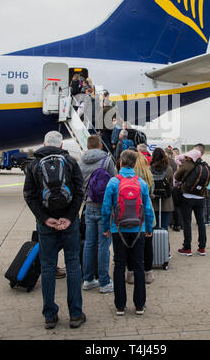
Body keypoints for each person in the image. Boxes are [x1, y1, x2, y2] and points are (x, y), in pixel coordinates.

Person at [23, 131, 86, 329]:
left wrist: (45, 218)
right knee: (73, 264)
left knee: (48, 267)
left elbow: (29, 195)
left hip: (46, 224)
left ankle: (50, 315)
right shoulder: (70, 161)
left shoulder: (33, 164)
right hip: (69, 223)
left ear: (43, 143)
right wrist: (68, 218)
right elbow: (79, 191)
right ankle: (75, 314)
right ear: (60, 145)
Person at [101, 150, 154, 316]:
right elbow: (147, 209)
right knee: (138, 265)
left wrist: (106, 228)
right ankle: (139, 305)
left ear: (121, 163)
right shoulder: (141, 183)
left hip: (118, 230)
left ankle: (120, 306)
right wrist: (149, 229)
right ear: (134, 164)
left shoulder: (113, 182)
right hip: (138, 229)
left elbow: (105, 208)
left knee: (119, 265)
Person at [79, 135, 117, 293]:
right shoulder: (106, 160)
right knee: (103, 245)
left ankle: (88, 279)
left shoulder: (80, 162)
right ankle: (104, 281)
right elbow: (114, 182)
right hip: (104, 207)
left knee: (89, 243)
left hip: (88, 206)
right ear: (100, 146)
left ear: (87, 146)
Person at [126, 153, 156, 285]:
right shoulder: (148, 176)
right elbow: (151, 193)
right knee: (147, 246)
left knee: (129, 246)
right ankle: (148, 273)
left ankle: (131, 273)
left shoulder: (128, 177)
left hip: (129, 213)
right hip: (145, 213)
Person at [174, 149, 210, 257]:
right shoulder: (205, 166)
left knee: (187, 222)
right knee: (201, 223)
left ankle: (187, 248)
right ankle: (202, 247)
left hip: (187, 197)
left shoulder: (187, 164)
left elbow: (177, 176)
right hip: (201, 197)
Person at [150, 148, 174, 231]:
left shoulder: (149, 169)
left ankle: (154, 244)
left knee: (153, 227)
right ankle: (164, 243)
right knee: (164, 227)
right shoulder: (169, 169)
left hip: (153, 200)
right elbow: (171, 183)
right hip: (165, 201)